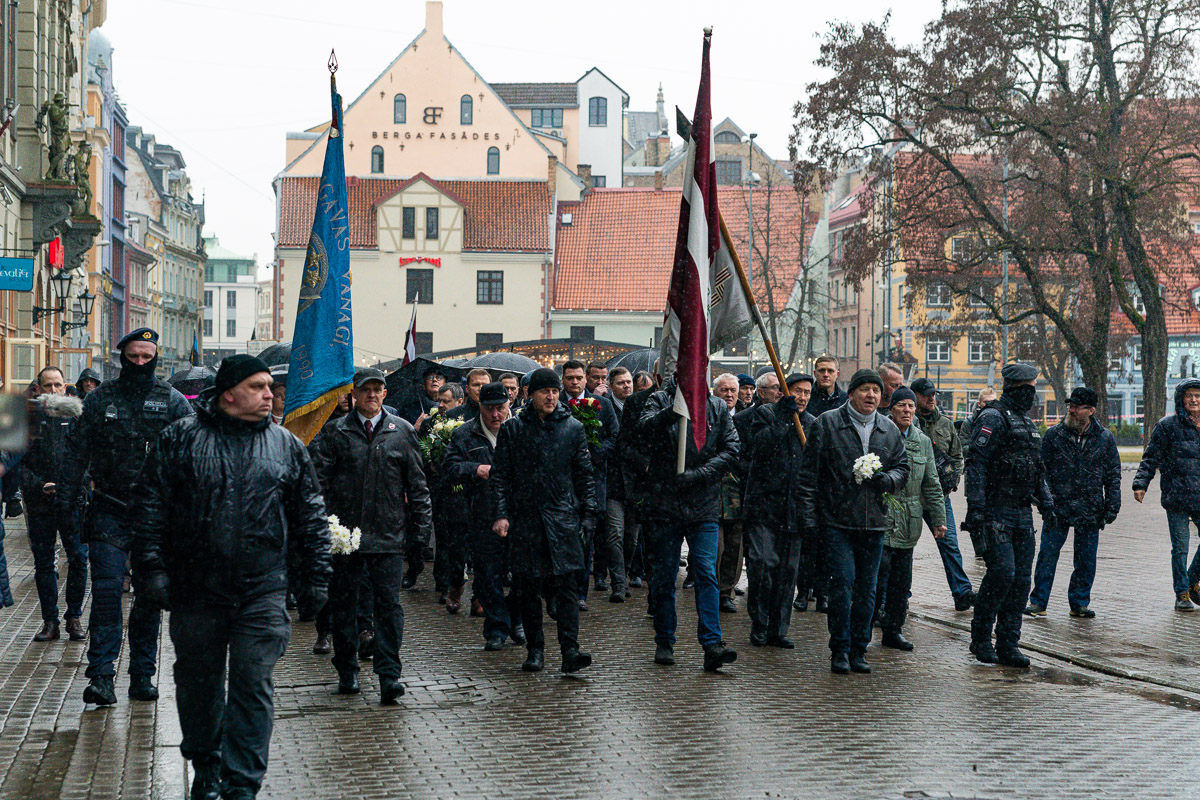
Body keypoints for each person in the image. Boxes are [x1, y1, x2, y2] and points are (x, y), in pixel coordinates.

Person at [130, 354, 332, 800]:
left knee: (252, 681)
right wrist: (151, 569)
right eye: (258, 387)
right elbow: (150, 506)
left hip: (262, 589)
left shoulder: (285, 445)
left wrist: (316, 577)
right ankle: (207, 762)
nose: (268, 395)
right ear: (229, 394)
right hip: (195, 589)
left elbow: (311, 517)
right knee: (198, 683)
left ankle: (242, 784)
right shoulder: (181, 439)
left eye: (269, 388)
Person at [61, 328, 193, 706]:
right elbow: (75, 453)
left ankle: (142, 674)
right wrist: (66, 501)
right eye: (133, 356)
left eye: (146, 357)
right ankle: (101, 676)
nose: (139, 363)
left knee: (150, 598)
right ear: (122, 356)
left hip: (156, 515)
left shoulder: (174, 403)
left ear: (155, 357)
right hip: (109, 508)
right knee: (104, 596)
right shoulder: (100, 400)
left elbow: (191, 457)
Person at [309, 367, 432, 703]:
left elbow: (418, 488)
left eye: (378, 390)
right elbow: (317, 485)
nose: (372, 395)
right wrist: (320, 528)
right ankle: (347, 669)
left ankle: (389, 674)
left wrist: (419, 536)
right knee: (344, 605)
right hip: (345, 537)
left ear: (385, 394)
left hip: (388, 535)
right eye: (366, 390)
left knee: (388, 608)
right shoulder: (335, 433)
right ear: (354, 394)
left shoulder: (402, 432)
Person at [798, 368, 908, 675]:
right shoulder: (828, 423)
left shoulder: (888, 429)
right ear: (851, 393)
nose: (871, 395)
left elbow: (902, 468)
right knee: (843, 585)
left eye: (875, 390)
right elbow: (808, 475)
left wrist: (888, 480)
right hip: (837, 521)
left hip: (873, 522)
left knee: (867, 589)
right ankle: (840, 649)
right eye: (864, 390)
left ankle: (860, 648)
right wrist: (809, 519)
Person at [490, 368, 597, 674]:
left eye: (554, 391)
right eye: (544, 392)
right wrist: (501, 514)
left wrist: (588, 515)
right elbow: (500, 477)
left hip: (562, 519)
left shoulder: (573, 428)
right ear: (529, 394)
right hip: (525, 520)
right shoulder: (513, 430)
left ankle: (570, 650)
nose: (551, 397)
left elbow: (584, 476)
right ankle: (535, 650)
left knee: (566, 589)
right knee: (527, 587)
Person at [637, 375, 740, 672]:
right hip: (665, 503)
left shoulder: (717, 407)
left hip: (703, 504)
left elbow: (731, 450)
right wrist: (673, 412)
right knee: (664, 574)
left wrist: (700, 474)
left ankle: (711, 644)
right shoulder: (659, 400)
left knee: (706, 572)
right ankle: (664, 639)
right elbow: (643, 430)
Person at [962, 363, 1055, 667]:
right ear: (1015, 387)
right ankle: (980, 638)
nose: (1032, 393)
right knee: (1002, 574)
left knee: (1020, 582)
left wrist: (1047, 503)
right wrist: (975, 508)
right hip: (995, 509)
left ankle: (1008, 643)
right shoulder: (993, 416)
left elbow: (1036, 467)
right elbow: (976, 463)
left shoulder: (1026, 423)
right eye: (1028, 387)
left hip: (1022, 512)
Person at [1026, 387, 1120, 618]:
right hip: (1058, 505)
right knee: (1048, 554)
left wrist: (1112, 506)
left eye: (1077, 407)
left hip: (1090, 506)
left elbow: (1113, 474)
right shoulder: (1054, 435)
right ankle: (1039, 601)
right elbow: (1041, 470)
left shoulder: (1104, 438)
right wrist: (1044, 500)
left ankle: (1079, 602)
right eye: (1071, 406)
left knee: (1086, 559)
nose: (1072, 410)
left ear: (1091, 410)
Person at [444, 383, 521, 649]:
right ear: (480, 408)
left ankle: (515, 621)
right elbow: (449, 467)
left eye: (500, 408)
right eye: (489, 409)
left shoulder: (521, 429)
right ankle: (497, 628)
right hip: (481, 513)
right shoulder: (465, 434)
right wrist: (476, 468)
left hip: (519, 513)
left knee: (523, 575)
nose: (496, 415)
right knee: (488, 576)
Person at [743, 374, 815, 647]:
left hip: (794, 510)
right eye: (798, 391)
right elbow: (760, 448)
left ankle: (779, 629)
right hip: (764, 506)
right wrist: (783, 419)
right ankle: (759, 623)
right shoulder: (766, 414)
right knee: (762, 564)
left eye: (808, 392)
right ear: (786, 392)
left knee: (787, 572)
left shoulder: (811, 424)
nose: (803, 397)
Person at [875, 387, 945, 651]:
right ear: (891, 408)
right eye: (902, 405)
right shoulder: (879, 432)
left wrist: (938, 519)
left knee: (900, 583)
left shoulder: (922, 441)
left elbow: (932, 483)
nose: (907, 410)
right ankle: (864, 624)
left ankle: (893, 630)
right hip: (880, 515)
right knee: (876, 577)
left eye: (911, 406)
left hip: (908, 521)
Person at [22, 367, 88, 642]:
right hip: (40, 503)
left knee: (79, 559)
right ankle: (50, 621)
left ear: (65, 387)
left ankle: (74, 617)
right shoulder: (28, 419)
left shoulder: (78, 418)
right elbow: (18, 463)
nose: (53, 390)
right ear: (38, 388)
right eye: (47, 385)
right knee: (44, 563)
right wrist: (40, 485)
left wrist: (75, 484)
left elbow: (90, 458)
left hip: (72, 501)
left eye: (57, 385)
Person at [1133, 378, 1200, 610]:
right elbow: (1151, 457)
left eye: (1198, 396)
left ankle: (1191, 581)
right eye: (1189, 395)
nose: (1194, 400)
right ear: (1181, 399)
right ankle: (1182, 593)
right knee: (1180, 546)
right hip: (1178, 496)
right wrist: (1140, 483)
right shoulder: (1167, 426)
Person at [911, 377, 975, 610]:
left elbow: (957, 456)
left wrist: (953, 478)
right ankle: (900, 596)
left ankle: (962, 592)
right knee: (904, 547)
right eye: (926, 394)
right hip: (910, 497)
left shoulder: (946, 424)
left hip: (939, 497)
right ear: (915, 395)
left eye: (933, 394)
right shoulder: (908, 422)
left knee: (950, 545)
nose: (932, 398)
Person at [561, 359, 619, 607]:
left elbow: (614, 435)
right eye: (569, 378)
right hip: (562, 480)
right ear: (562, 379)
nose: (574, 382)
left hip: (592, 480)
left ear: (586, 378)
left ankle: (579, 594)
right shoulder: (556, 403)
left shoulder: (603, 405)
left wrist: (592, 454)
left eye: (578, 377)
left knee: (586, 537)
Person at [599, 367, 635, 601]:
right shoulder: (603, 407)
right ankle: (618, 584)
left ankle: (627, 573)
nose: (627, 386)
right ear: (611, 386)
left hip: (635, 483)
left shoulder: (640, 407)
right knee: (614, 534)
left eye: (629, 382)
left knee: (632, 537)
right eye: (621, 383)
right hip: (613, 482)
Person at [712, 374, 746, 614]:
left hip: (738, 492)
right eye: (724, 390)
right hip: (712, 491)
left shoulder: (746, 420)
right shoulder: (708, 417)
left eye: (733, 390)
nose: (729, 394)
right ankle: (711, 589)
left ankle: (727, 591)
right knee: (716, 546)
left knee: (735, 546)